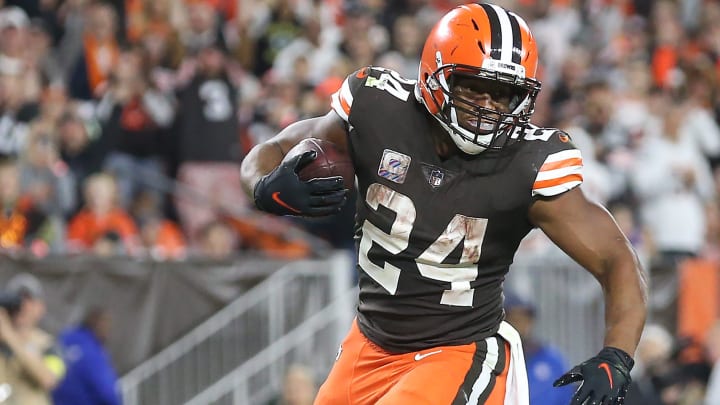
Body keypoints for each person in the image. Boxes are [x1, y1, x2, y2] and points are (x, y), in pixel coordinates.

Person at [240, 3, 647, 404]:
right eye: (475, 87)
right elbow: (272, 150)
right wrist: (264, 185)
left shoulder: (529, 163)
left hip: (457, 352)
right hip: (369, 342)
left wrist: (617, 355)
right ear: (435, 75)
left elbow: (617, 259)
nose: (488, 107)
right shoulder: (378, 110)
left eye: (503, 94)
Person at [0, 273, 65, 405]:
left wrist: (10, 337)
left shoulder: (48, 344)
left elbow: (49, 379)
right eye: (17, 299)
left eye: (28, 300)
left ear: (40, 307)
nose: (22, 306)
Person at [503, 293, 573, 405]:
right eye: (514, 318)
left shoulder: (551, 360)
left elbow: (566, 398)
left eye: (524, 318)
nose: (519, 324)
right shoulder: (494, 358)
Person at [52, 307, 122, 405]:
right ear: (97, 324)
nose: (108, 331)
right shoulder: (93, 351)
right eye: (106, 325)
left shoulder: (64, 339)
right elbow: (107, 392)